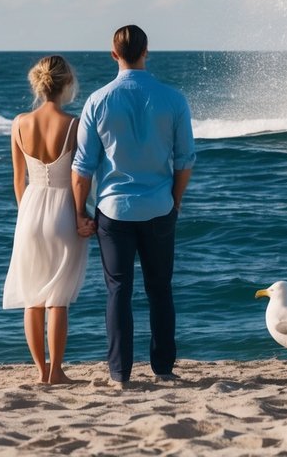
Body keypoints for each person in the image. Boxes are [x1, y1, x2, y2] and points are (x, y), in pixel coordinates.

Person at [72, 25, 195, 387]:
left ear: (114, 55)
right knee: (161, 289)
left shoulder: (97, 100)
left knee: (118, 290)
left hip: (113, 210)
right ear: (147, 51)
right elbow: (185, 159)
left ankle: (119, 373)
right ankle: (163, 368)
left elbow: (83, 167)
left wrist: (79, 210)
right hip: (159, 206)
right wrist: (175, 201)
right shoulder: (174, 99)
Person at [3, 55, 94, 384]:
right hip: (62, 210)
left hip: (30, 209)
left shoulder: (18, 123)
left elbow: (18, 179)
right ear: (67, 84)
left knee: (33, 297)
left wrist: (25, 212)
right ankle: (57, 371)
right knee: (58, 298)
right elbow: (78, 177)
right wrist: (82, 214)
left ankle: (40, 372)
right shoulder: (74, 124)